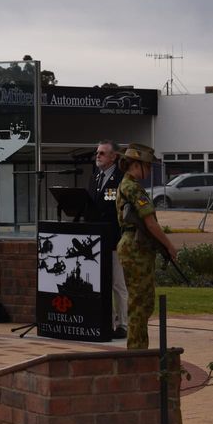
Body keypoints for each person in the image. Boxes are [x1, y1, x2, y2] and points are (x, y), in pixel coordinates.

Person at [115, 143, 178, 350]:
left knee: (142, 301)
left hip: (134, 245)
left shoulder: (126, 184)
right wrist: (169, 246)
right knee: (140, 303)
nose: (150, 171)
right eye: (148, 166)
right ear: (136, 164)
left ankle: (138, 349)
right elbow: (150, 223)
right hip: (136, 247)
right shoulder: (132, 187)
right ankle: (136, 352)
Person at [89, 139, 128, 339]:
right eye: (97, 152)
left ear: (113, 157)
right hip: (98, 241)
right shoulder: (96, 178)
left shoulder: (121, 179)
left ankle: (123, 324)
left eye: (102, 153)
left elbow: (118, 211)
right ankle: (109, 321)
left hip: (114, 240)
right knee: (103, 282)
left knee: (118, 283)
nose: (98, 156)